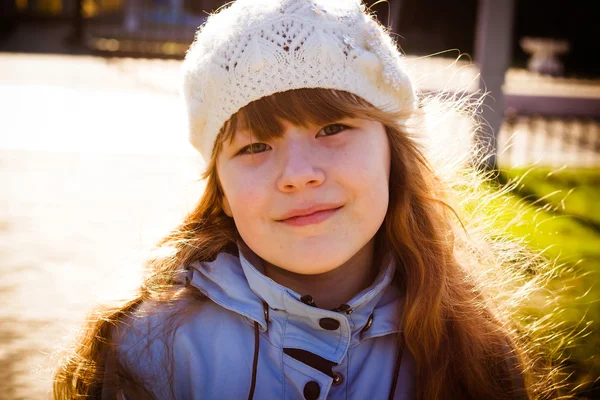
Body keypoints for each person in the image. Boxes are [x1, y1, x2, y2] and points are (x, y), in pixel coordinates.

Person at [53, 0, 549, 399]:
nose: (298, 176)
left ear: (393, 155)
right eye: (255, 146)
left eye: (332, 128)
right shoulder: (148, 352)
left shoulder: (472, 351)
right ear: (221, 192)